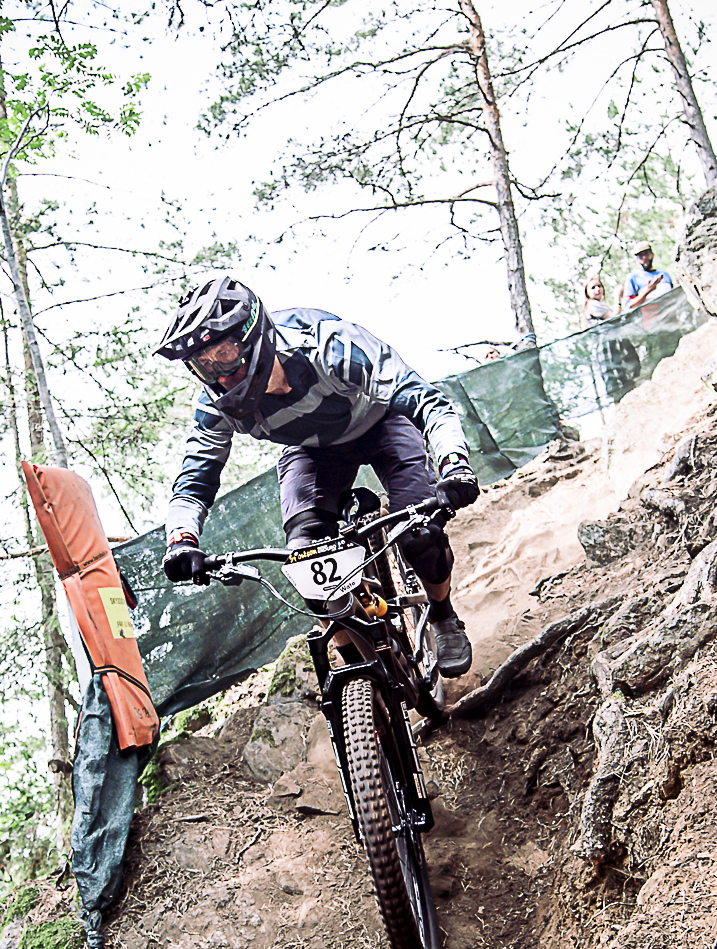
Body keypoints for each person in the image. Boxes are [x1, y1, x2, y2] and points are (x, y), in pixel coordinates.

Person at [155, 275, 480, 676]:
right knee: (306, 558)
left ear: (252, 336)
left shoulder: (329, 345)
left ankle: (444, 616)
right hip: (311, 449)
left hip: (381, 421)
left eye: (223, 354)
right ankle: (361, 674)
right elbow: (194, 479)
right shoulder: (215, 405)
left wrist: (454, 464)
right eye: (203, 365)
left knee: (420, 533)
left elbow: (428, 402)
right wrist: (181, 540)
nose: (218, 374)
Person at [622, 242, 674, 314]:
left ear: (652, 254)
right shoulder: (633, 277)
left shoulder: (664, 274)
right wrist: (648, 290)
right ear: (637, 259)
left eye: (646, 254)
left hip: (671, 315)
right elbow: (628, 306)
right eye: (640, 256)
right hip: (650, 318)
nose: (644, 257)